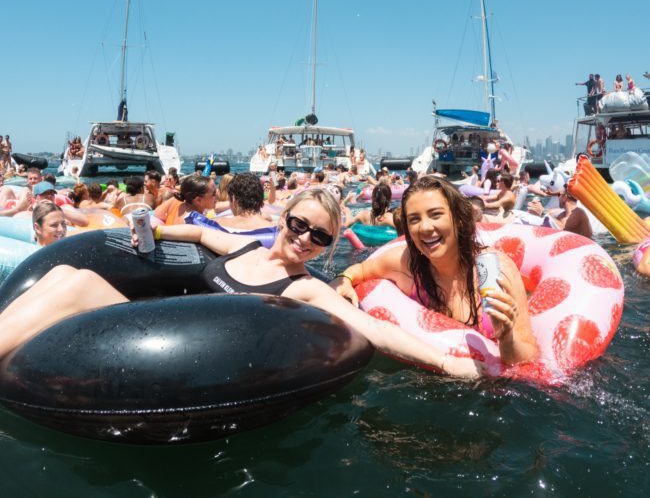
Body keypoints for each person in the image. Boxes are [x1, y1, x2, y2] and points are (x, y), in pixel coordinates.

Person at [0, 188, 487, 377]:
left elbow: (372, 329)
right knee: (64, 271)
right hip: (151, 323)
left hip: (171, 347)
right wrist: (155, 227)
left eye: (320, 236)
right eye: (299, 224)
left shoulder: (306, 285)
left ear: (327, 244)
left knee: (79, 282)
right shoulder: (245, 247)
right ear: (284, 218)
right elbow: (199, 232)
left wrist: (446, 361)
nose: (305, 239)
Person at [333, 176, 538, 366]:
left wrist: (506, 335)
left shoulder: (494, 269)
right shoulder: (404, 262)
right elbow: (360, 269)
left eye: (435, 215)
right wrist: (343, 279)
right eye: (414, 219)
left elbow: (526, 358)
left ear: (458, 218)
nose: (425, 227)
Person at [526, 185, 592, 239]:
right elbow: (549, 212)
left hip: (581, 249)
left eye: (559, 195)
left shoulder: (578, 212)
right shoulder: (562, 213)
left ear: (565, 197)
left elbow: (562, 227)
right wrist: (536, 207)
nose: (558, 197)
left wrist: (542, 212)